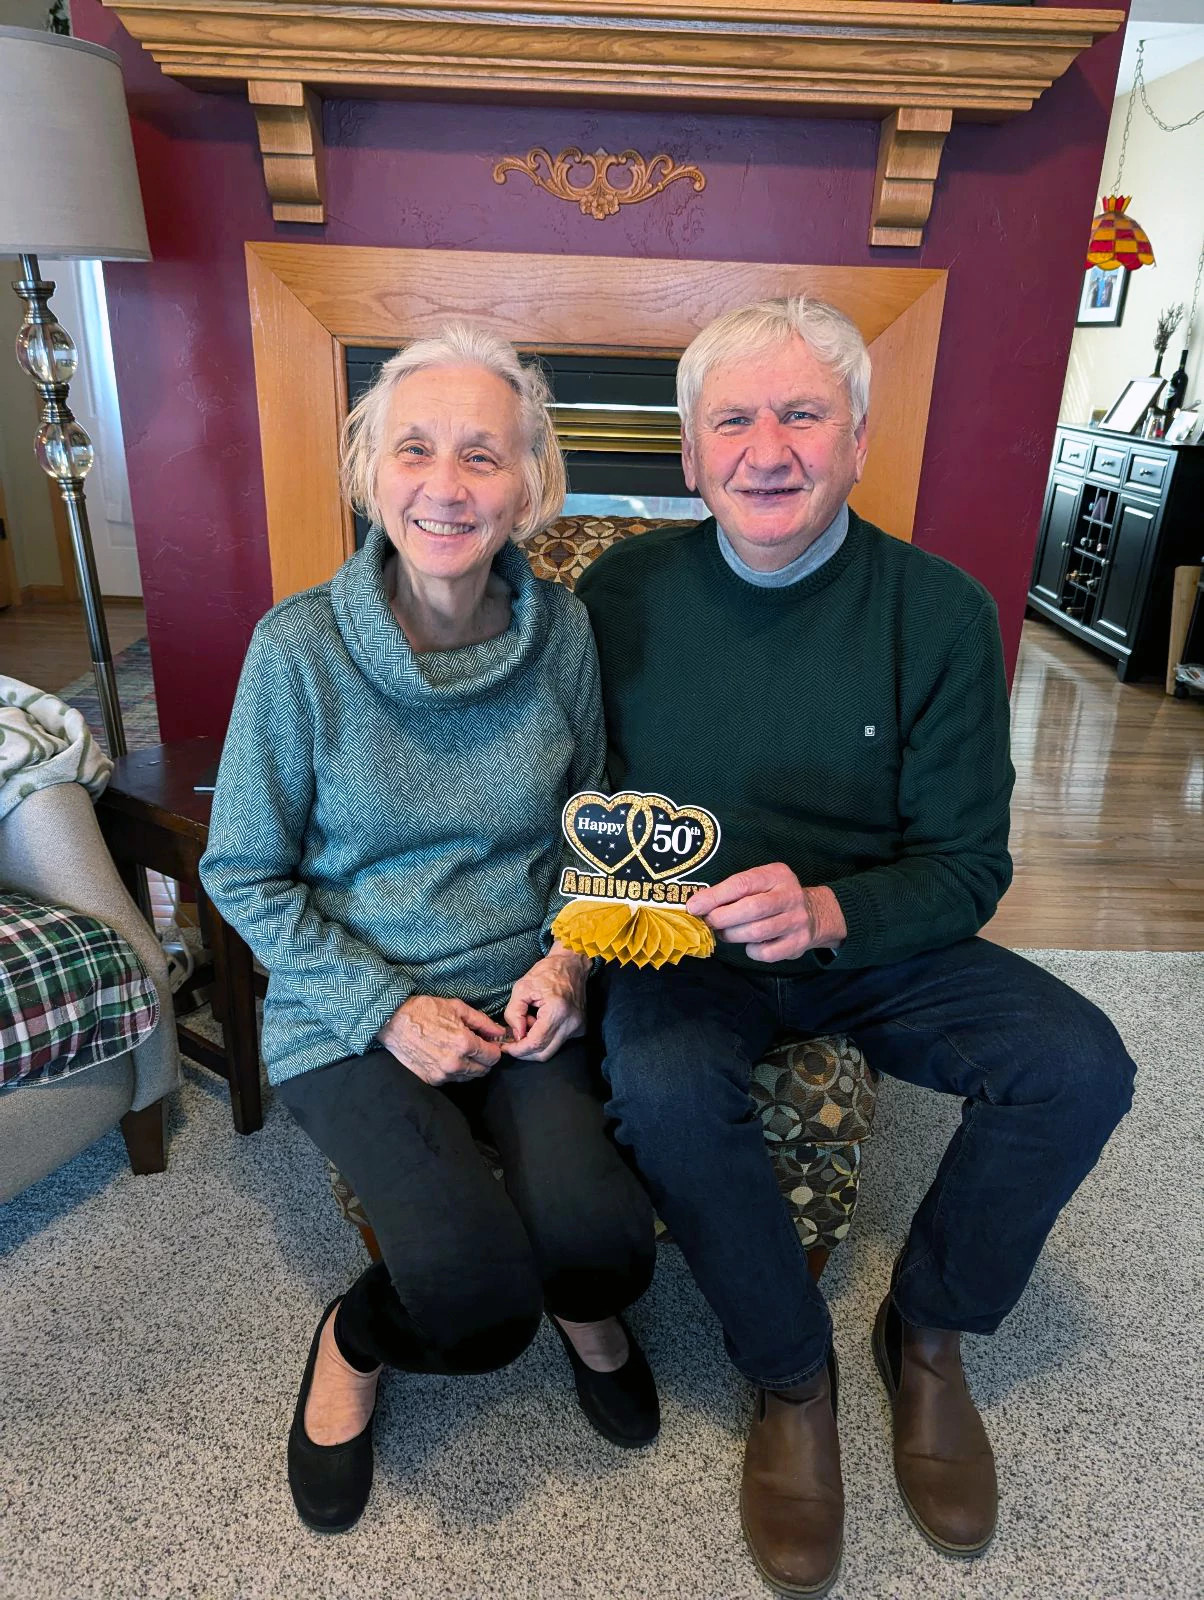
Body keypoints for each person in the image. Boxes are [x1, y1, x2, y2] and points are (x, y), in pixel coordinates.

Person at [575, 297, 1136, 1596]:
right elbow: (573, 799)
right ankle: (790, 1373)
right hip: (689, 948)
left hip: (870, 933)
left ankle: (929, 1332)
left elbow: (970, 864)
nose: (768, 448)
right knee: (658, 1083)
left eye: (801, 413)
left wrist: (832, 912)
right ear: (691, 454)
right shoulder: (619, 596)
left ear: (859, 437)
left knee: (1080, 1067)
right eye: (734, 420)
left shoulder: (937, 611)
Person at [199, 323, 658, 1536]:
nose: (445, 486)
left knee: (608, 1247)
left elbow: (590, 824)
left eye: (480, 455)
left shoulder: (560, 633)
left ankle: (582, 1300)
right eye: (413, 448)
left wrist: (569, 954)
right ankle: (353, 1341)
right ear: (369, 468)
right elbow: (240, 872)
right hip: (346, 1007)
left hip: (519, 989)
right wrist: (382, 1010)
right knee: (471, 1301)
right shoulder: (296, 650)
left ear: (529, 485)